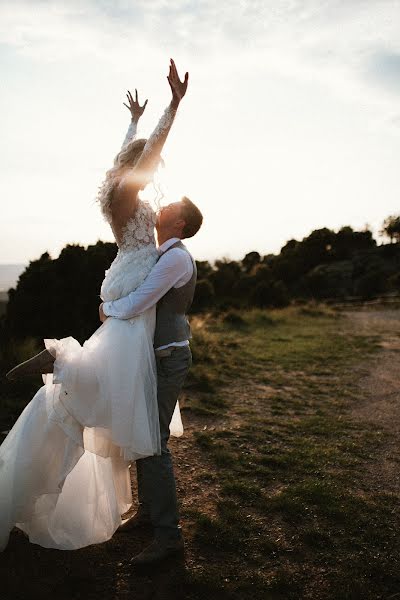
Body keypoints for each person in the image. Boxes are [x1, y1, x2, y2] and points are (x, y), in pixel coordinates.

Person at [0, 59, 196, 553]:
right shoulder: (127, 195)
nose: (153, 175)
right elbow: (147, 154)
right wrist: (173, 106)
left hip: (129, 280)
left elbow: (129, 153)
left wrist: (132, 118)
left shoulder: (122, 190)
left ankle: (66, 364)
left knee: (119, 393)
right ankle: (64, 363)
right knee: (116, 397)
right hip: (131, 284)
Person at [99, 193, 203, 565]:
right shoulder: (161, 254)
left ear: (180, 225)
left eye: (173, 205)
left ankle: (168, 536)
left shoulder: (175, 258)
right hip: (154, 356)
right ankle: (149, 513)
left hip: (169, 357)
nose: (164, 204)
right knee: (143, 433)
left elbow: (143, 299)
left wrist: (107, 309)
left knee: (155, 441)